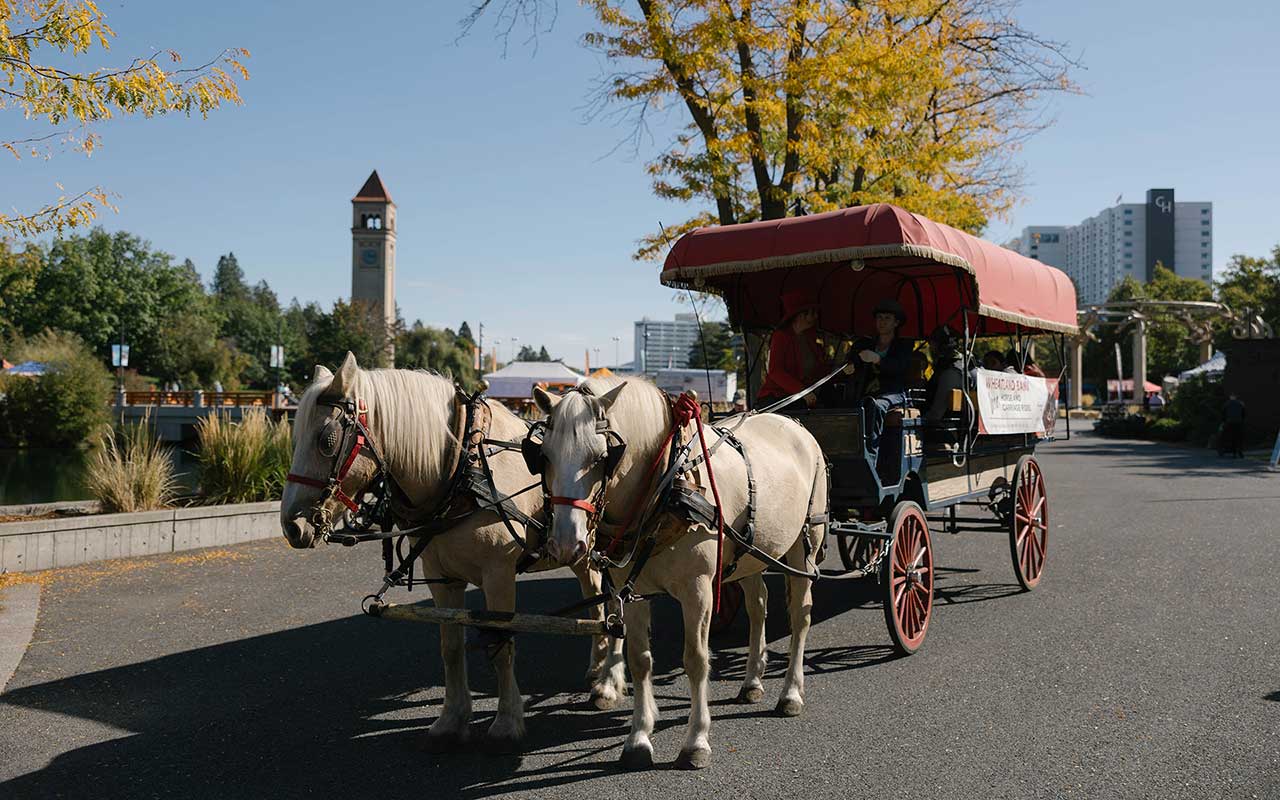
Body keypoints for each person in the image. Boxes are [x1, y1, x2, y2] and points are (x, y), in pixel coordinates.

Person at [849, 298, 913, 467]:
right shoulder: (866, 343)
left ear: (896, 323)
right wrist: (851, 365)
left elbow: (900, 367)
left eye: (887, 318)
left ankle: (870, 457)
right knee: (850, 405)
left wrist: (878, 359)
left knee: (876, 406)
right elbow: (853, 360)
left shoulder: (904, 345)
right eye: (879, 318)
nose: (882, 322)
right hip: (866, 393)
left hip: (893, 393)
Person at [757, 289, 830, 410]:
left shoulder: (810, 338)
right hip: (778, 399)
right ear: (800, 315)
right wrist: (802, 391)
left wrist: (840, 370)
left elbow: (820, 369)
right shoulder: (781, 337)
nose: (816, 316)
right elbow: (776, 371)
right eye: (812, 313)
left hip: (801, 397)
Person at [925, 326, 965, 424]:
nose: (930, 347)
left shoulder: (951, 371)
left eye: (932, 344)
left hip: (947, 428)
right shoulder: (966, 364)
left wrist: (921, 420)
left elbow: (936, 413)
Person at [1222, 393, 1246, 458]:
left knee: (1231, 437)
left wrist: (1224, 422)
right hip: (1239, 423)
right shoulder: (1241, 404)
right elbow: (1243, 414)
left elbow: (1223, 414)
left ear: (1230, 397)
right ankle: (1240, 451)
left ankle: (1233, 452)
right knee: (1240, 437)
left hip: (1230, 423)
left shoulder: (1227, 404)